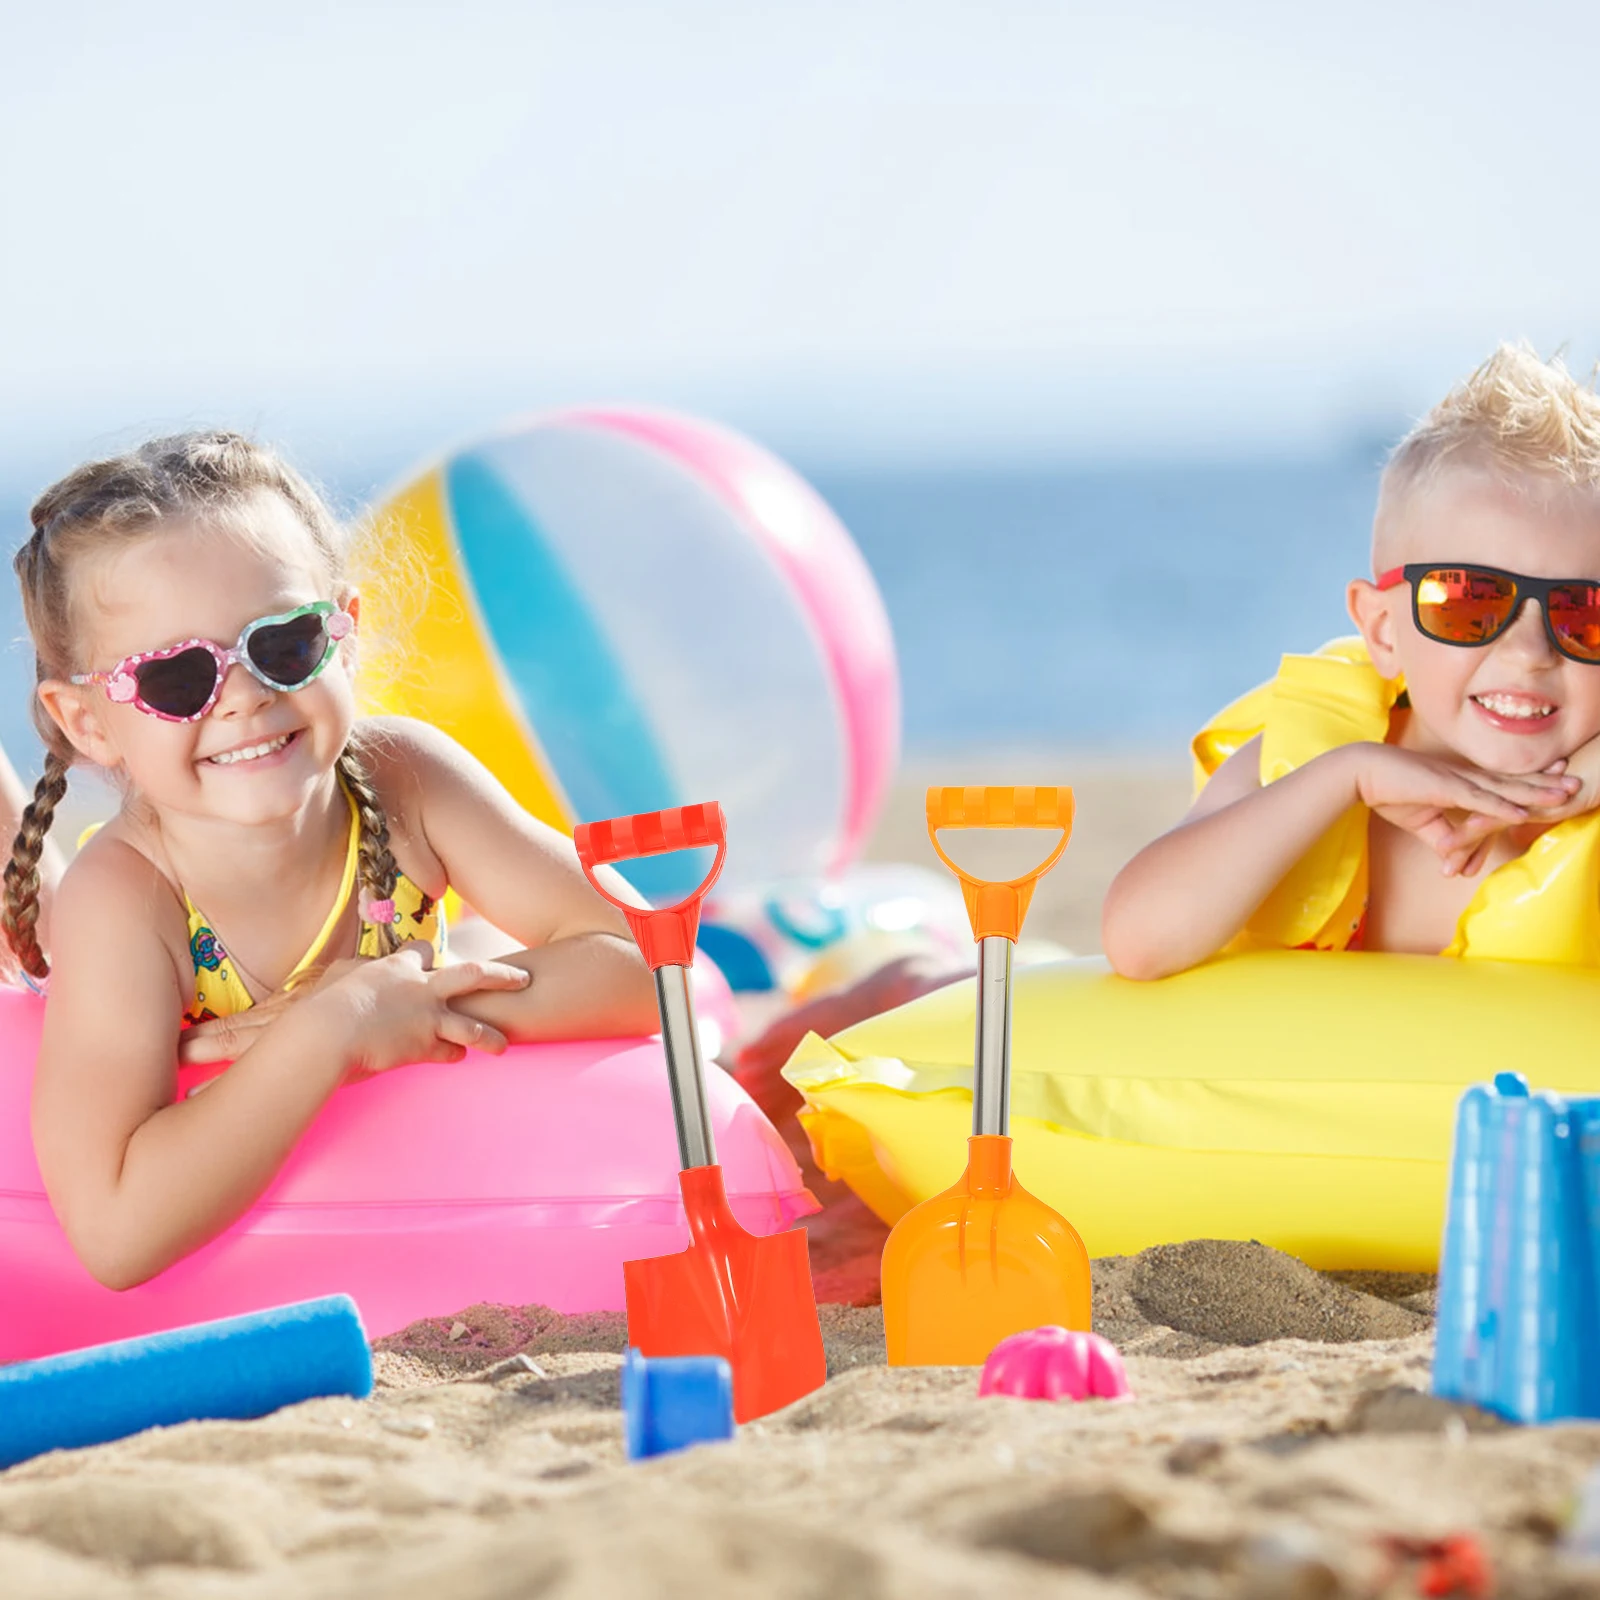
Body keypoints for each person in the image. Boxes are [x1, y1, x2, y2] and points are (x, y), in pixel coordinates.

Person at [7, 432, 658, 1289]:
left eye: (282, 644)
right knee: (41, 935)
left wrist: (399, 1010)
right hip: (101, 970)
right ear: (88, 722)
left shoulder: (409, 782)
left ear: (344, 638)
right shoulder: (127, 899)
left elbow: (650, 960)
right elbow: (117, 1232)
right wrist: (334, 1029)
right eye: (174, 679)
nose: (244, 697)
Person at [1103, 344, 1600, 980]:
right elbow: (1139, 939)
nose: (1530, 653)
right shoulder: (1308, 765)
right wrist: (1344, 779)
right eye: (1470, 601)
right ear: (1382, 630)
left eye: (1583, 613)